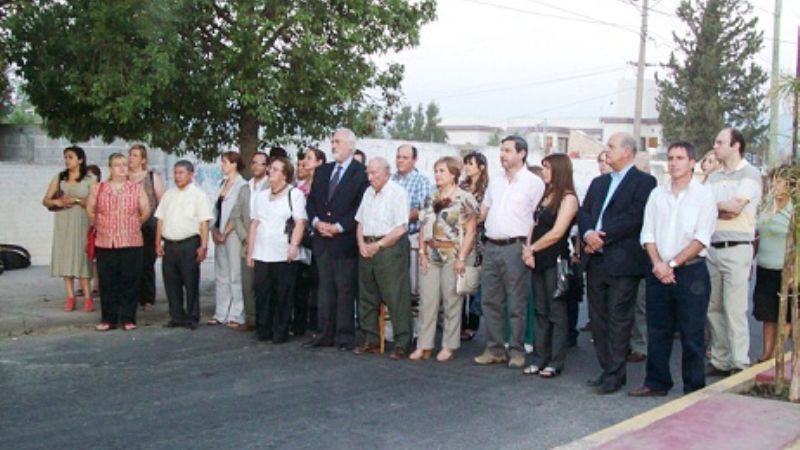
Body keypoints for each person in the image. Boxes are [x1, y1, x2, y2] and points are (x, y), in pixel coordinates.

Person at [629, 142, 717, 397]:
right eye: (670, 158)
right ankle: (657, 382)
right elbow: (648, 233)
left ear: (692, 162)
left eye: (680, 158)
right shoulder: (658, 194)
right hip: (658, 272)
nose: (674, 162)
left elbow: (701, 238)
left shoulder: (703, 195)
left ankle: (693, 388)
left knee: (692, 333)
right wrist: (658, 264)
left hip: (690, 272)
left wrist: (672, 265)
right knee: (658, 330)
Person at [578, 132, 657, 394]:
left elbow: (636, 217)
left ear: (627, 151)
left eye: (611, 146)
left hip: (623, 262)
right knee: (598, 319)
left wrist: (604, 237)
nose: (606, 150)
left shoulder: (644, 182)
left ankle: (616, 373)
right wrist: (589, 233)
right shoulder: (599, 183)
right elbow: (585, 212)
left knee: (619, 319)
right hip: (595, 259)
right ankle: (607, 368)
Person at [473, 136, 545, 369]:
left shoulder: (534, 183)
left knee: (517, 302)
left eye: (507, 150)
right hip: (491, 246)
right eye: (501, 150)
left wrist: (529, 248)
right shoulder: (495, 181)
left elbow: (537, 220)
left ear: (522, 153)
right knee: (490, 301)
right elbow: (483, 212)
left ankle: (516, 350)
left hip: (516, 247)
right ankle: (494, 348)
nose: (502, 154)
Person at [304, 128, 369, 351]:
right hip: (322, 240)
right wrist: (316, 223)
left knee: (345, 290)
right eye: (332, 141)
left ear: (351, 145)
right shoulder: (323, 171)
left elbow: (361, 207)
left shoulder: (361, 173)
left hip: (345, 241)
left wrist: (339, 227)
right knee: (325, 290)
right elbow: (311, 202)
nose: (334, 146)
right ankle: (324, 334)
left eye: (338, 142)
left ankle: (344, 336)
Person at [705, 127, 762, 376]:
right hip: (713, 247)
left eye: (720, 142)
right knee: (713, 307)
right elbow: (705, 208)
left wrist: (716, 207)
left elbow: (735, 208)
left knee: (735, 308)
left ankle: (739, 361)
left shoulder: (750, 174)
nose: (715, 146)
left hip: (737, 248)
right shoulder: (714, 178)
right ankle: (720, 358)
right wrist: (720, 208)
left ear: (735, 145)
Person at [411, 157, 478, 361]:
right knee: (427, 301)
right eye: (436, 170)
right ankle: (424, 344)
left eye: (442, 171)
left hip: (454, 253)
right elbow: (423, 226)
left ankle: (449, 345)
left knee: (451, 301)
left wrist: (462, 257)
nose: (437, 175)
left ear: (453, 174)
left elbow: (471, 230)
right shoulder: (430, 198)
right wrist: (421, 252)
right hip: (432, 252)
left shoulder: (465, 198)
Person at [521, 153, 579, 378]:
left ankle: (556, 361)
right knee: (540, 310)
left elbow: (557, 232)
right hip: (537, 258)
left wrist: (533, 248)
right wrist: (528, 249)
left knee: (556, 311)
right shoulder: (545, 194)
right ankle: (538, 357)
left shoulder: (568, 198)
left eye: (547, 167)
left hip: (555, 258)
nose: (544, 171)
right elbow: (533, 224)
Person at [352, 157, 413, 359]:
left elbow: (401, 228)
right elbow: (360, 222)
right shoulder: (368, 192)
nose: (370, 178)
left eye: (374, 173)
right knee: (367, 296)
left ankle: (402, 343)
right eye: (368, 173)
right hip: (367, 245)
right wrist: (362, 244)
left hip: (390, 248)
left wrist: (377, 245)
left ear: (386, 172)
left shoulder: (397, 193)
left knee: (396, 296)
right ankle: (371, 339)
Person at [246, 156, 308, 343]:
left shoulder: (294, 194)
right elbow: (254, 224)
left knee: (283, 293)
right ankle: (263, 329)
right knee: (262, 292)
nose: (270, 172)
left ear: (285, 175)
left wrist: (293, 246)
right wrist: (250, 252)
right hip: (262, 251)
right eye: (270, 169)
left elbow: (300, 222)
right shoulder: (261, 196)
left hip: (283, 252)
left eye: (275, 169)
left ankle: (280, 331)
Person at [86, 153, 150, 331]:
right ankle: (109, 319)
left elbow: (145, 211)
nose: (122, 168)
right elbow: (90, 210)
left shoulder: (136, 188)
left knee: (130, 281)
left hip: (131, 241)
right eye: (117, 165)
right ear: (110, 168)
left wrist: (134, 224)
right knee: (107, 282)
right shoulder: (98, 188)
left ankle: (128, 318)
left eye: (124, 164)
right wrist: (101, 224)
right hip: (105, 242)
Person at [154, 160, 213, 330]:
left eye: (181, 173)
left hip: (189, 243)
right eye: (175, 173)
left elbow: (204, 222)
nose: (177, 176)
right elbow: (160, 219)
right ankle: (176, 316)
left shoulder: (198, 195)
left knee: (190, 281)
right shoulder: (168, 194)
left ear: (190, 174)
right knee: (171, 281)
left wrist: (203, 246)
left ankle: (192, 317)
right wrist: (158, 242)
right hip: (170, 244)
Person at [42, 146, 96, 312]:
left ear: (80, 160)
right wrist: (57, 202)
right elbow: (46, 200)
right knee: (65, 257)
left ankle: (88, 298)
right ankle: (70, 297)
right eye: (65, 157)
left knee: (81, 257)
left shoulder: (90, 178)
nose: (67, 160)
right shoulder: (59, 178)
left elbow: (94, 203)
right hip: (64, 221)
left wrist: (77, 200)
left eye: (70, 157)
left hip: (82, 221)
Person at [753, 165, 793, 363]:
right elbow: (757, 233)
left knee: (786, 315)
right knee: (767, 313)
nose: (774, 185)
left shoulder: (795, 207)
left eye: (778, 180)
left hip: (787, 270)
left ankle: (778, 353)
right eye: (773, 180)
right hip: (764, 267)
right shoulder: (768, 203)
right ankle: (766, 353)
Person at [207, 151, 248, 328]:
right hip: (219, 231)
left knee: (235, 273)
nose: (222, 165)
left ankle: (237, 313)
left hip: (233, 234)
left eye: (225, 162)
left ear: (234, 164)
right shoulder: (222, 183)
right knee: (221, 273)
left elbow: (236, 212)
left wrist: (226, 231)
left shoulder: (242, 185)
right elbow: (216, 209)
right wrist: (214, 230)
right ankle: (221, 312)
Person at [230, 152, 270, 330]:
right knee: (247, 285)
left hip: (266, 243)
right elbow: (236, 215)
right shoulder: (244, 189)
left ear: (267, 167)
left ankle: (265, 319)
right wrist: (245, 236)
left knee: (263, 284)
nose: (255, 167)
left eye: (260, 163)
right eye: (253, 163)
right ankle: (251, 318)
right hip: (247, 243)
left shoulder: (272, 186)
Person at [392, 144, 434, 299]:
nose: (400, 161)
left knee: (412, 286)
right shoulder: (390, 179)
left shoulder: (421, 181)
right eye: (398, 157)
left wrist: (400, 217)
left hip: (411, 237)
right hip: (389, 238)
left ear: (414, 160)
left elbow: (423, 209)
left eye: (405, 158)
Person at [128, 144, 166, 311]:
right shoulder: (124, 177)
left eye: (135, 155)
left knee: (146, 262)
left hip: (148, 225)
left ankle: (147, 298)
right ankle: (132, 295)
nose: (131, 158)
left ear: (143, 160)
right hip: (128, 225)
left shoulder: (151, 176)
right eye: (130, 155)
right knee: (130, 262)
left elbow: (163, 201)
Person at [293, 147, 327, 335]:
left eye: (309, 158)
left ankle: (315, 323)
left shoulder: (324, 184)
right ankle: (299, 322)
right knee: (300, 281)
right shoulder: (299, 186)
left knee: (317, 282)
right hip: (302, 237)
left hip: (317, 237)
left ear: (320, 162)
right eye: (304, 158)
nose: (305, 161)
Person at [460, 151, 489, 341]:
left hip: (479, 238)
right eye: (466, 164)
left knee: (476, 280)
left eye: (471, 164)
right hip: (460, 237)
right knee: (461, 281)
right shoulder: (461, 186)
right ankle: (460, 322)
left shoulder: (487, 189)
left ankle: (473, 322)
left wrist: (469, 222)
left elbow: (483, 215)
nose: (468, 167)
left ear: (481, 167)